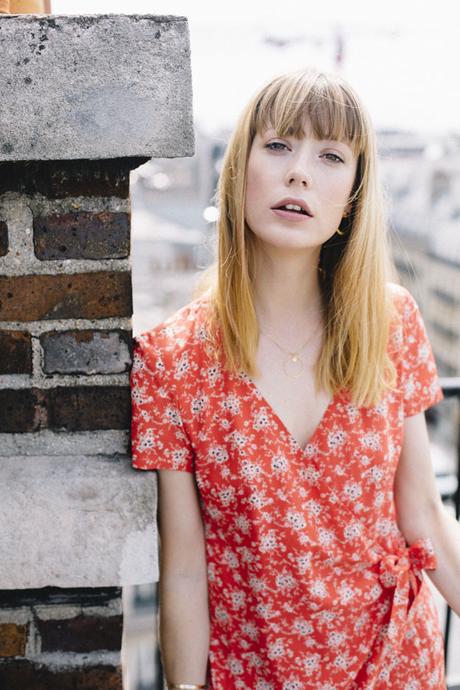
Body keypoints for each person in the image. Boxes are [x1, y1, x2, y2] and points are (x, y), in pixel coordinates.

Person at [130, 68, 460, 690]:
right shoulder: (171, 361)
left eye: (330, 155)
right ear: (240, 168)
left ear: (354, 194)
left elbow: (425, 516)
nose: (299, 172)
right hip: (256, 675)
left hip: (398, 664)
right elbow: (183, 569)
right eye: (279, 145)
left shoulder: (391, 323)